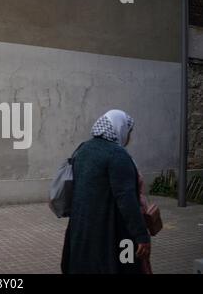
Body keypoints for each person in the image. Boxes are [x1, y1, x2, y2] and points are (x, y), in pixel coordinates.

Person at [60, 109, 151, 274]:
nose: (130, 137)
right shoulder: (118, 155)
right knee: (127, 264)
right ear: (120, 129)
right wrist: (141, 236)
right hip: (114, 231)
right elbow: (126, 200)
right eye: (129, 132)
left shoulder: (83, 150)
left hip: (81, 230)